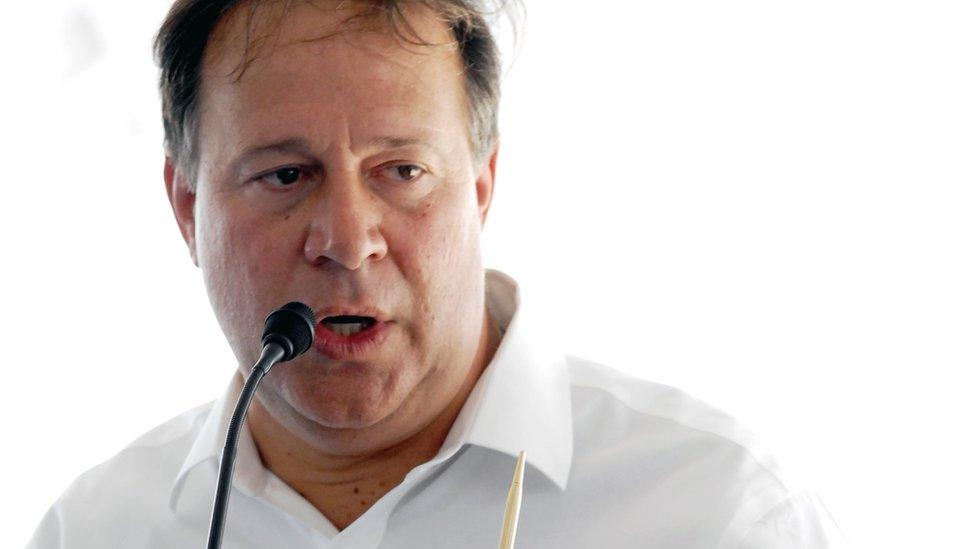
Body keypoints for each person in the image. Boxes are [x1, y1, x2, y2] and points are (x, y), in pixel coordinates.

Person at [27, 1, 848, 547]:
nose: (349, 242)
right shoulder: (93, 530)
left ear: (483, 185)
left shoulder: (721, 514)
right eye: (285, 175)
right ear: (185, 206)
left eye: (402, 171)